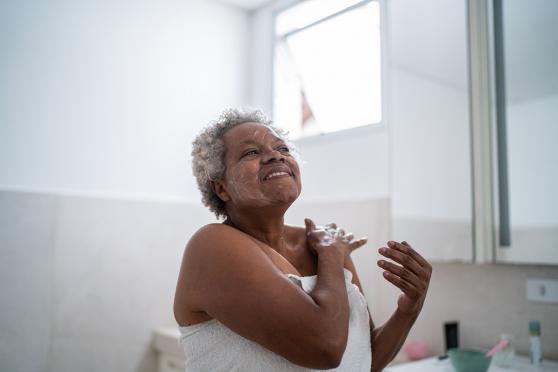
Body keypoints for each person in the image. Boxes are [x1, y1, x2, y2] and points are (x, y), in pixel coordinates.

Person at [173, 109, 432, 371]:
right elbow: (326, 349)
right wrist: (332, 255)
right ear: (221, 188)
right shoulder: (212, 246)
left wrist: (409, 309)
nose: (275, 155)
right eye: (251, 152)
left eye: (282, 148)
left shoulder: (323, 244)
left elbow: (364, 359)